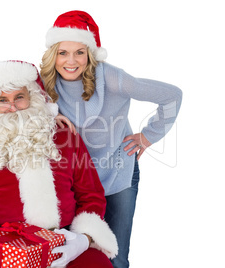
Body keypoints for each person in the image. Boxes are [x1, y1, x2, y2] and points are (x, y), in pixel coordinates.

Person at [40, 10, 183, 268]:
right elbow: (15, 91)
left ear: (91, 54)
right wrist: (50, 112)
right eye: (63, 52)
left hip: (116, 174)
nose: (70, 61)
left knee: (115, 256)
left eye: (79, 52)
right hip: (76, 180)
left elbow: (171, 95)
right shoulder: (45, 82)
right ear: (53, 55)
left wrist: (149, 135)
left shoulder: (113, 79)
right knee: (72, 255)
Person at [0, 60, 118, 268]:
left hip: (64, 243)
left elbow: (91, 195)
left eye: (19, 97)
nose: (12, 107)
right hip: (6, 247)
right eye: (3, 99)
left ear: (32, 98)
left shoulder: (66, 138)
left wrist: (83, 239)